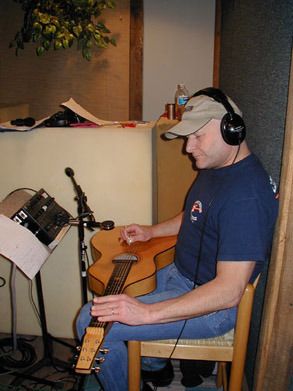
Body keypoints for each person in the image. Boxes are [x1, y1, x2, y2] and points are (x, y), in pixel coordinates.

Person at [76, 87, 278, 391]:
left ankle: (140, 372)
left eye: (196, 136)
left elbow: (228, 291)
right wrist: (151, 231)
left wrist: (145, 314)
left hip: (211, 306)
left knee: (91, 322)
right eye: (186, 137)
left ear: (230, 130)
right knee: (116, 290)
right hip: (178, 274)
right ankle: (155, 367)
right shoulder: (217, 164)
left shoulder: (246, 197)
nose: (188, 148)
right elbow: (194, 213)